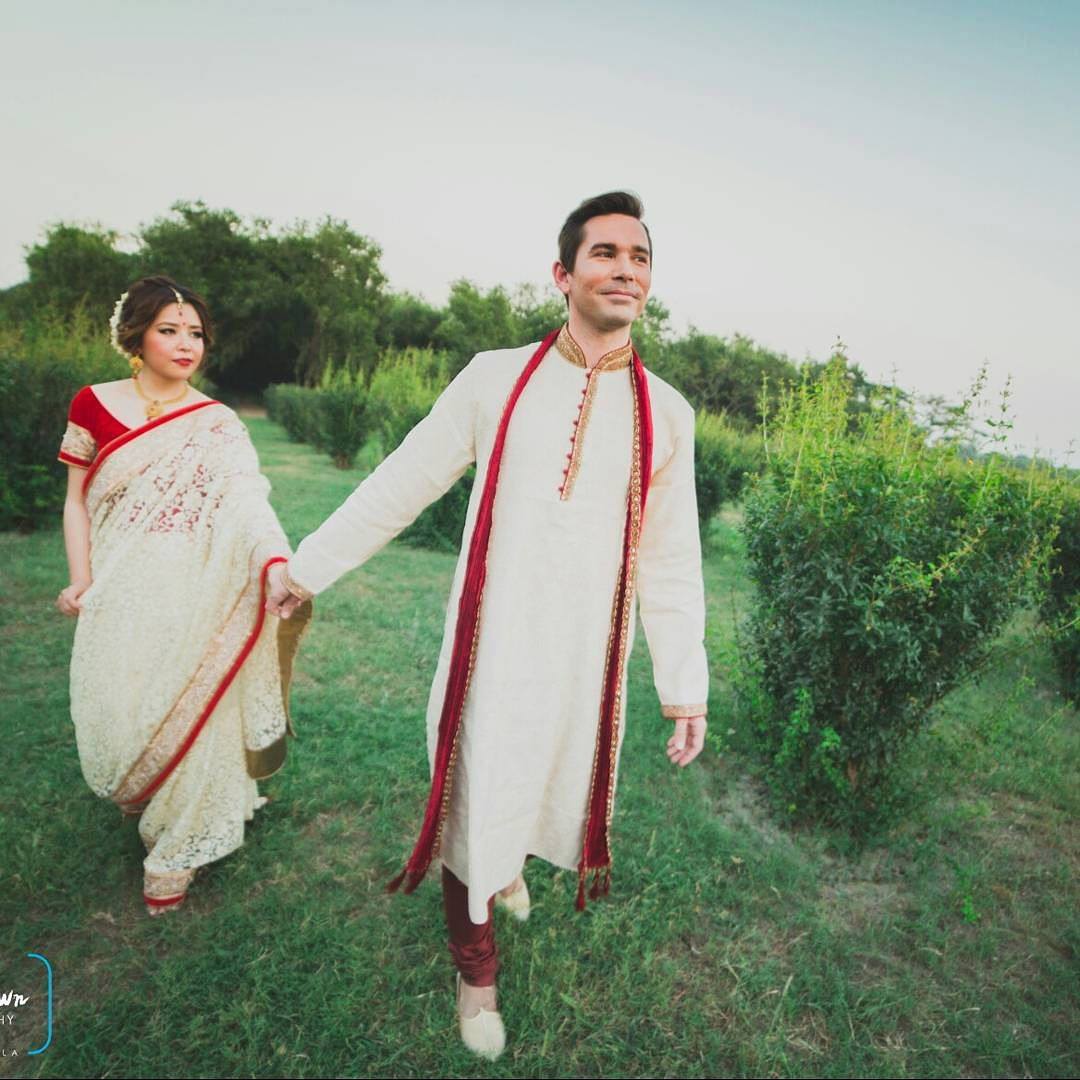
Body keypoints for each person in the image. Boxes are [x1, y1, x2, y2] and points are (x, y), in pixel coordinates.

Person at [266, 192, 707, 1059]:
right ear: (563, 273)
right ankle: (476, 973)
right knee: (474, 790)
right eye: (606, 252)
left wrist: (683, 686)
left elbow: (671, 559)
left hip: (585, 659)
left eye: (640, 257)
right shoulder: (495, 377)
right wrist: (306, 568)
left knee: (542, 784)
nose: (625, 269)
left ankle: (506, 867)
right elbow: (402, 481)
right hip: (494, 649)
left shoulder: (671, 414)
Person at [57, 275, 310, 915]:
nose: (185, 343)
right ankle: (150, 787)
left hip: (198, 583)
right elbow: (76, 502)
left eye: (194, 332)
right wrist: (81, 578)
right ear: (135, 334)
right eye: (169, 329)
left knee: (197, 700)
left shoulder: (216, 423)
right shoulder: (92, 404)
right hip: (120, 582)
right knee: (125, 697)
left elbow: (247, 498)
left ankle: (179, 848)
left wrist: (274, 558)